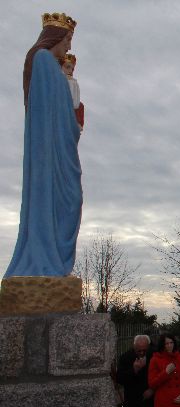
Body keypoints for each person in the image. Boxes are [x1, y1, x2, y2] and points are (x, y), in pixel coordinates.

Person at [5, 12, 81, 278]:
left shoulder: (51, 66)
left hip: (61, 148)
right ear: (55, 37)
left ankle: (56, 264)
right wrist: (72, 124)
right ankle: (45, 262)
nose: (69, 46)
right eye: (68, 39)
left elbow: (64, 110)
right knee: (70, 200)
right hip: (51, 152)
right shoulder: (43, 62)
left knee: (71, 200)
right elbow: (50, 112)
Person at [116, 335, 155, 407]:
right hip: (133, 404)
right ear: (134, 347)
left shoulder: (153, 355)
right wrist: (134, 370)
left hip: (150, 404)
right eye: (139, 350)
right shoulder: (126, 357)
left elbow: (160, 376)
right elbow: (120, 379)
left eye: (144, 350)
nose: (142, 353)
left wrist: (152, 389)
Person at [59, 53, 83, 131]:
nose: (70, 71)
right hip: (60, 107)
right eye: (67, 67)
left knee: (80, 106)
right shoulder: (58, 80)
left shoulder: (73, 82)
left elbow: (75, 103)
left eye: (72, 69)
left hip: (70, 107)